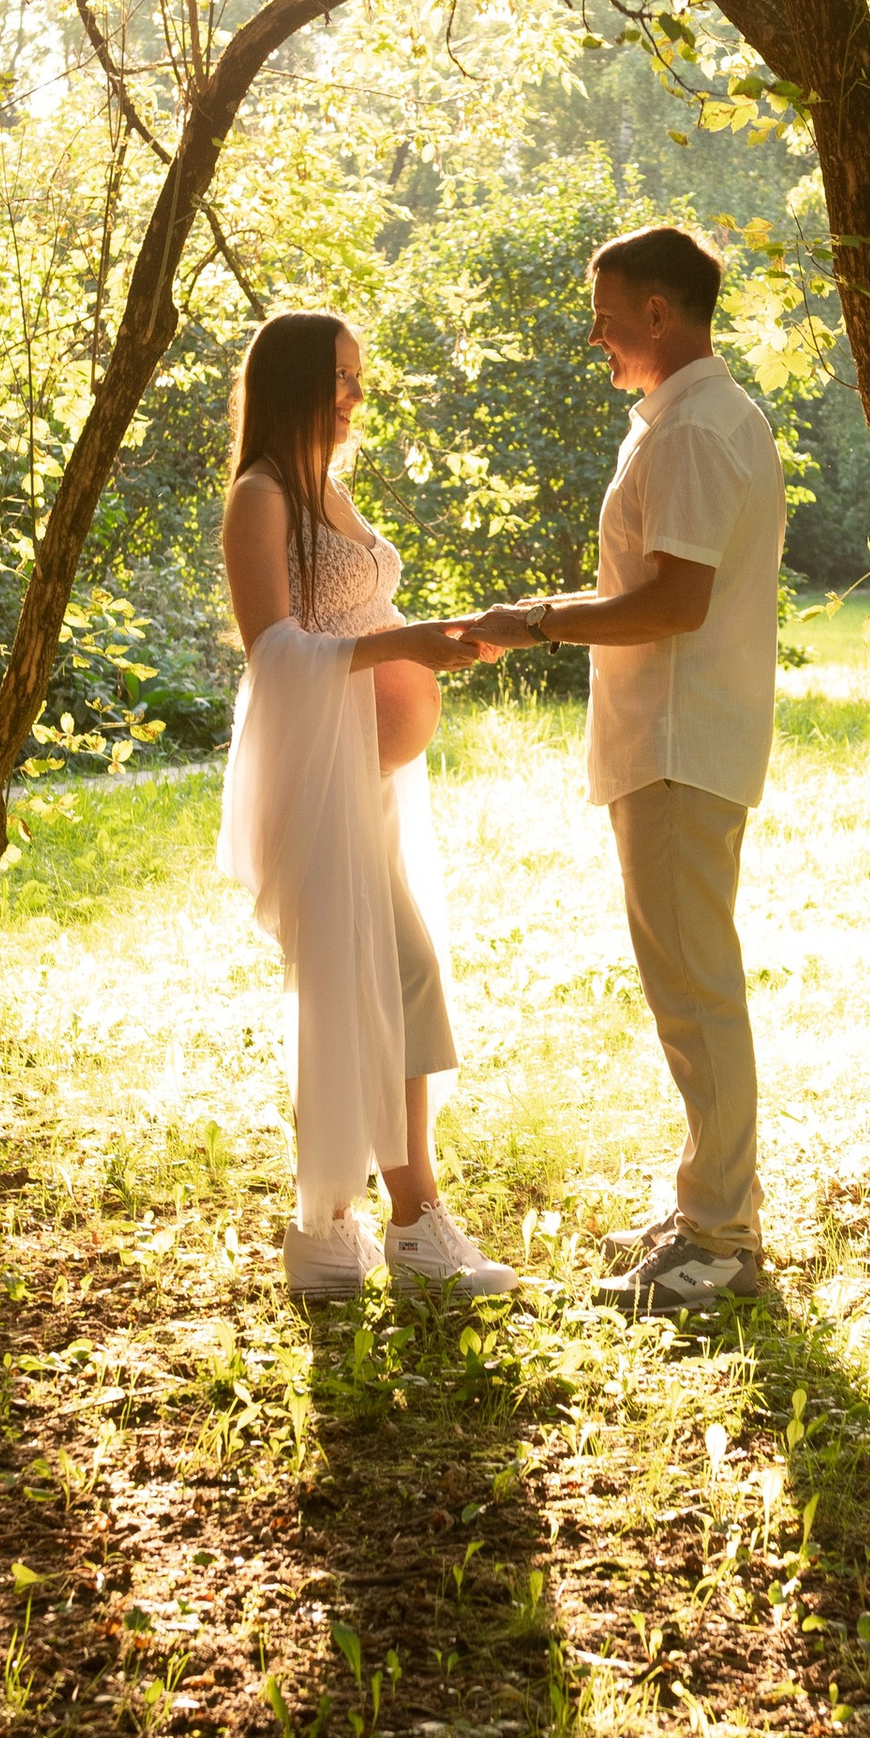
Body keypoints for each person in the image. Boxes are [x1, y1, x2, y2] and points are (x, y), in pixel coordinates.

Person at [468, 227, 787, 1315]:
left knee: (697, 995)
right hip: (670, 742)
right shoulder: (685, 417)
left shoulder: (695, 428)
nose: (594, 335)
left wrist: (537, 620)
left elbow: (675, 602)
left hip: (680, 745)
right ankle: (709, 1206)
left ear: (659, 312)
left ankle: (722, 1242)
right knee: (688, 990)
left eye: (606, 316)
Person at [216, 310, 519, 1304]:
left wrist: (440, 639)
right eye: (341, 376)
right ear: (296, 383)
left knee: (363, 984)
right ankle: (409, 1221)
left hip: (373, 781)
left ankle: (330, 1228)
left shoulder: (331, 492)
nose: (357, 394)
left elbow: (360, 615)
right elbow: (273, 651)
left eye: (357, 375)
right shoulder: (261, 497)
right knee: (396, 975)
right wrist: (404, 646)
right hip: (314, 779)